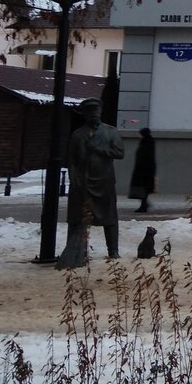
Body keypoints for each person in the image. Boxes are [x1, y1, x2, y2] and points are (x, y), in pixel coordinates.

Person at [56, 97, 125, 269]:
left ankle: (113, 250)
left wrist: (99, 149)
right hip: (82, 183)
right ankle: (76, 250)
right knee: (77, 217)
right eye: (89, 111)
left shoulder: (110, 132)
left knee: (109, 217)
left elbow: (119, 153)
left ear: (100, 112)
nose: (93, 114)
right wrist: (73, 178)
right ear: (84, 114)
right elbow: (71, 160)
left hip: (104, 181)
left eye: (96, 110)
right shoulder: (78, 135)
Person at [129, 127, 157, 213]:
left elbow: (145, 156)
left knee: (143, 188)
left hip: (144, 170)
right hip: (143, 170)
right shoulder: (146, 142)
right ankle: (144, 204)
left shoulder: (147, 142)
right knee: (142, 189)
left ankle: (144, 205)